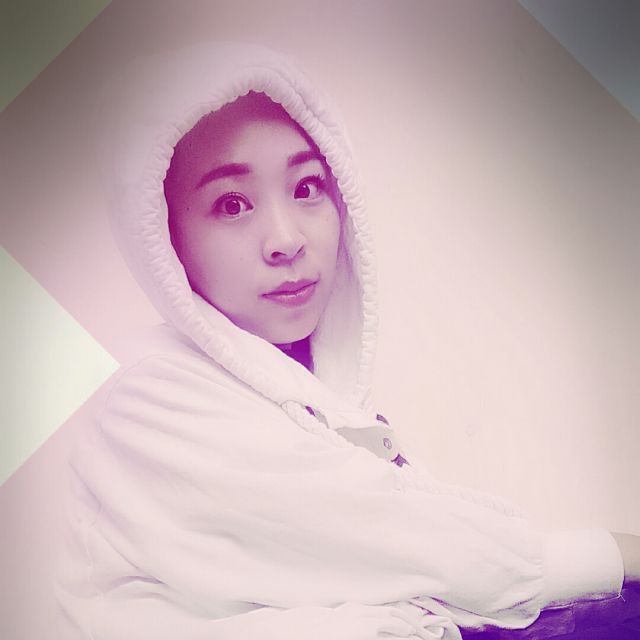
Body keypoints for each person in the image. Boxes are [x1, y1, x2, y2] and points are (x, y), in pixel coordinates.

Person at [55, 42, 638, 640]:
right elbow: (410, 544)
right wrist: (614, 554)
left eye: (307, 187)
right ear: (164, 234)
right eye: (232, 204)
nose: (286, 239)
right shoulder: (144, 387)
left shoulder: (315, 402)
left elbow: (416, 557)